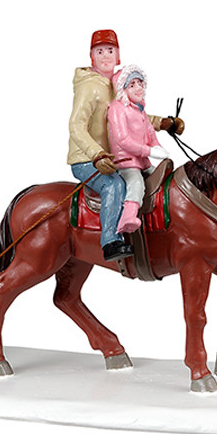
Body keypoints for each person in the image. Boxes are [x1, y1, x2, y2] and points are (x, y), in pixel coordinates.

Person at [67, 30, 182, 261]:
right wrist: (97, 155)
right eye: (99, 51)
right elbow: (76, 125)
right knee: (114, 185)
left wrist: (162, 123)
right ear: (92, 57)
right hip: (87, 159)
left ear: (118, 55)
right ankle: (111, 241)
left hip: (117, 158)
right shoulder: (89, 87)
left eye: (110, 51)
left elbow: (134, 116)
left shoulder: (117, 83)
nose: (105, 56)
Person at [107, 64, 169, 233]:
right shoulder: (117, 108)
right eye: (132, 85)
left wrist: (157, 147)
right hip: (126, 162)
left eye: (140, 83)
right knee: (136, 182)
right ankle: (128, 217)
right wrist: (149, 151)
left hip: (143, 161)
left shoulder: (140, 109)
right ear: (123, 89)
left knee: (162, 177)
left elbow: (150, 133)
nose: (138, 87)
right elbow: (122, 139)